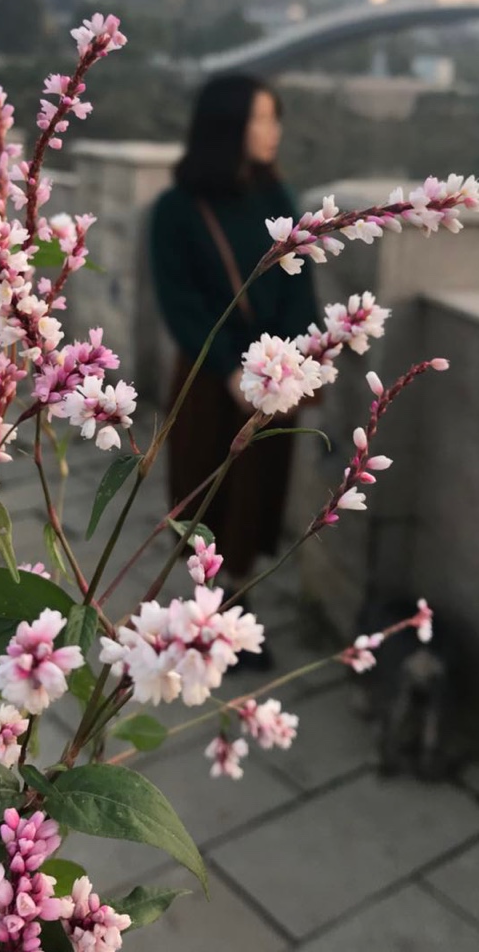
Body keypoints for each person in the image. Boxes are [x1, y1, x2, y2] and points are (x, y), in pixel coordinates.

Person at [150, 74, 318, 637]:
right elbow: (180, 302)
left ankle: (237, 611)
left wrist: (285, 365)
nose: (274, 130)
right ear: (228, 126)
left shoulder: (277, 199)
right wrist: (228, 370)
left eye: (274, 118)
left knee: (258, 493)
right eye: (261, 118)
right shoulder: (176, 210)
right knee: (208, 490)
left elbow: (300, 289)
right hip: (209, 378)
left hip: (274, 379)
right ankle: (206, 612)